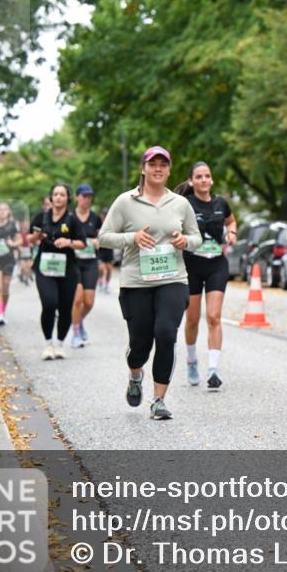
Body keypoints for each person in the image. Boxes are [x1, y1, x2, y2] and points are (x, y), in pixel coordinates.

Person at [98, 146, 201, 421]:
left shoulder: (180, 204)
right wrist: (132, 238)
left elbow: (196, 238)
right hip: (136, 281)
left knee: (166, 334)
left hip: (173, 278)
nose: (158, 168)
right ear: (143, 169)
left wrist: (185, 242)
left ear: (169, 170)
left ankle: (158, 401)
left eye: (163, 164)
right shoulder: (125, 202)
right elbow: (104, 237)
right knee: (140, 344)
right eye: (152, 164)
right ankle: (135, 374)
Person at [174, 162, 238, 390]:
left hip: (216, 265)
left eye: (207, 176)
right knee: (192, 320)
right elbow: (174, 226)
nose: (203, 180)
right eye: (199, 176)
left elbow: (231, 220)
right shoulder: (185, 204)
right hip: (191, 264)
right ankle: (192, 360)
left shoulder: (221, 203)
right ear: (191, 181)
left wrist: (231, 232)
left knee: (213, 317)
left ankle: (213, 370)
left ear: (211, 180)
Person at [29, 184, 86, 361]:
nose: (59, 197)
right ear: (51, 198)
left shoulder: (72, 219)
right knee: (49, 303)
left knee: (64, 308)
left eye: (62, 194)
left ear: (67, 198)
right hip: (45, 268)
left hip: (67, 269)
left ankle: (60, 344)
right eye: (56, 194)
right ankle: (48, 344)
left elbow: (82, 243)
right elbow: (30, 240)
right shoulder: (41, 217)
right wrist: (37, 236)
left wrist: (68, 242)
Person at [70, 184, 103, 348]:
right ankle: (75, 333)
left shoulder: (95, 218)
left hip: (90, 262)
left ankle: (78, 321)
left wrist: (98, 241)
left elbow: (103, 236)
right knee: (77, 299)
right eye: (84, 196)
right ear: (77, 197)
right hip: (74, 263)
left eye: (89, 196)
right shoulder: (70, 217)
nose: (86, 199)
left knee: (89, 302)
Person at [97, 207, 114, 294]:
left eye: (106, 214)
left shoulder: (112, 224)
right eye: (104, 214)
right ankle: (100, 281)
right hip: (100, 249)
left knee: (109, 269)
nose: (105, 216)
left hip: (109, 249)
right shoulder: (98, 223)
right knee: (101, 268)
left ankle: (107, 284)